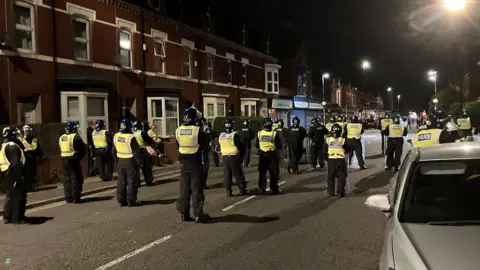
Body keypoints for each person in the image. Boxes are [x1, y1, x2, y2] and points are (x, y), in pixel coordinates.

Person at [175, 107, 210, 223]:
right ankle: (198, 214)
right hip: (195, 162)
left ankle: (184, 213)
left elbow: (178, 145)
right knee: (196, 189)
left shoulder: (178, 130)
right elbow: (205, 147)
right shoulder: (197, 130)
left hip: (184, 163)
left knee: (184, 189)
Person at [112, 118, 143, 207]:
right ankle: (131, 201)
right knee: (131, 182)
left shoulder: (116, 135)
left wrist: (116, 161)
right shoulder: (131, 137)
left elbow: (113, 151)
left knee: (121, 181)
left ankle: (121, 200)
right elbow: (136, 153)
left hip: (120, 161)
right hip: (130, 161)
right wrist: (140, 163)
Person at [1, 127, 26, 224]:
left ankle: (7, 217)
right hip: (14, 174)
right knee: (17, 197)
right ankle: (17, 218)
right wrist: (19, 176)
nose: (16, 136)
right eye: (15, 134)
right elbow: (16, 163)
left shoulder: (4, 145)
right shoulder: (12, 146)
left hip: (7, 174)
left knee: (10, 196)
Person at [219, 119, 249, 197]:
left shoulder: (221, 135)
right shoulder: (234, 135)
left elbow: (219, 146)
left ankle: (228, 190)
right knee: (238, 174)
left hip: (224, 157)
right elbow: (240, 145)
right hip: (233, 156)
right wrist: (241, 154)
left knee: (227, 174)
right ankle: (242, 189)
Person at [58, 122, 86, 203]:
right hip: (73, 160)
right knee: (76, 178)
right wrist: (80, 157)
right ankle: (76, 197)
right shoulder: (76, 137)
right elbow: (82, 149)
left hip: (64, 160)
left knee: (67, 179)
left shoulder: (61, 137)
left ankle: (68, 197)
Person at [256, 118, 282, 195]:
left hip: (263, 155)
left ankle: (261, 188)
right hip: (272, 155)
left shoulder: (259, 133)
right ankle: (274, 189)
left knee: (262, 172)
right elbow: (279, 146)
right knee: (273, 173)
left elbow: (257, 145)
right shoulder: (274, 134)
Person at [323, 124, 350, 197]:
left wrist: (325, 160)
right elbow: (347, 150)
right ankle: (340, 191)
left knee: (330, 177)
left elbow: (324, 151)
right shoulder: (343, 140)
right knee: (341, 176)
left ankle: (330, 192)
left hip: (331, 160)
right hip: (340, 160)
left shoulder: (328, 140)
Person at [19, 125, 42, 191]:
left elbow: (38, 147)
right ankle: (28, 187)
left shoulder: (34, 139)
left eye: (28, 131)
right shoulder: (21, 140)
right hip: (25, 159)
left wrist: (39, 155)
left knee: (33, 173)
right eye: (26, 131)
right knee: (26, 174)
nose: (27, 132)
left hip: (33, 158)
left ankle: (32, 186)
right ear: (23, 131)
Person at [133, 121, 156, 186]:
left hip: (135, 152)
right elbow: (149, 140)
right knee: (146, 167)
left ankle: (137, 182)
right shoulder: (142, 132)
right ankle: (149, 181)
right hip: (143, 150)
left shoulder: (133, 133)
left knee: (136, 168)